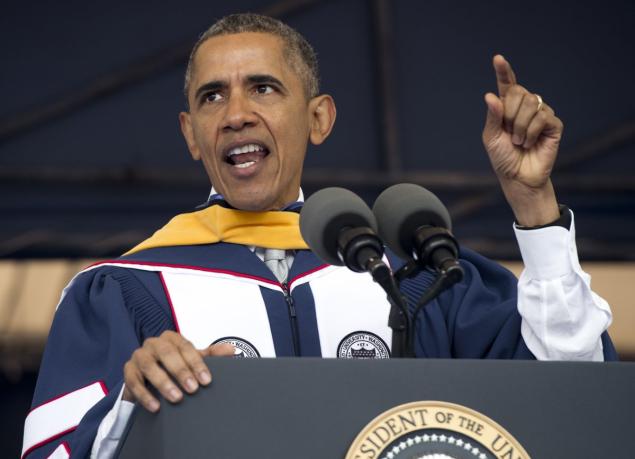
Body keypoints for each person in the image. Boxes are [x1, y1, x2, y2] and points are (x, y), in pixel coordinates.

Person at [21, 13, 615, 459]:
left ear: (319, 118)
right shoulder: (127, 292)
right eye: (212, 96)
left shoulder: (422, 278)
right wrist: (134, 403)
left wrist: (533, 200)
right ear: (192, 135)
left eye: (263, 87)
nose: (235, 114)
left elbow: (576, 399)